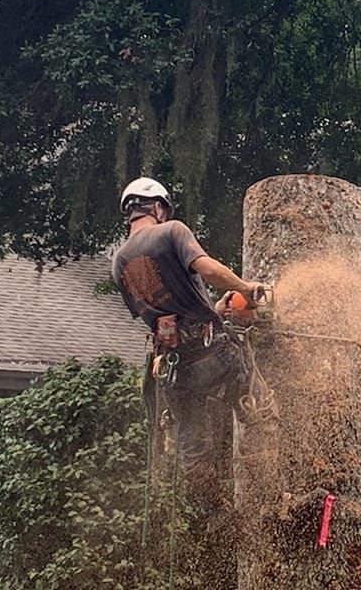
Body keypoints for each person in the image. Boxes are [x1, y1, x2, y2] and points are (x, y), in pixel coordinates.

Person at [110, 176, 264, 514]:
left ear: (130, 212)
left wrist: (217, 310)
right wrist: (246, 288)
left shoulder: (119, 261)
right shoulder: (172, 231)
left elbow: (165, 312)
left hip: (173, 371)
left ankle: (218, 515)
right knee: (256, 403)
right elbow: (206, 268)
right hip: (211, 355)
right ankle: (271, 476)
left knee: (192, 449)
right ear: (159, 207)